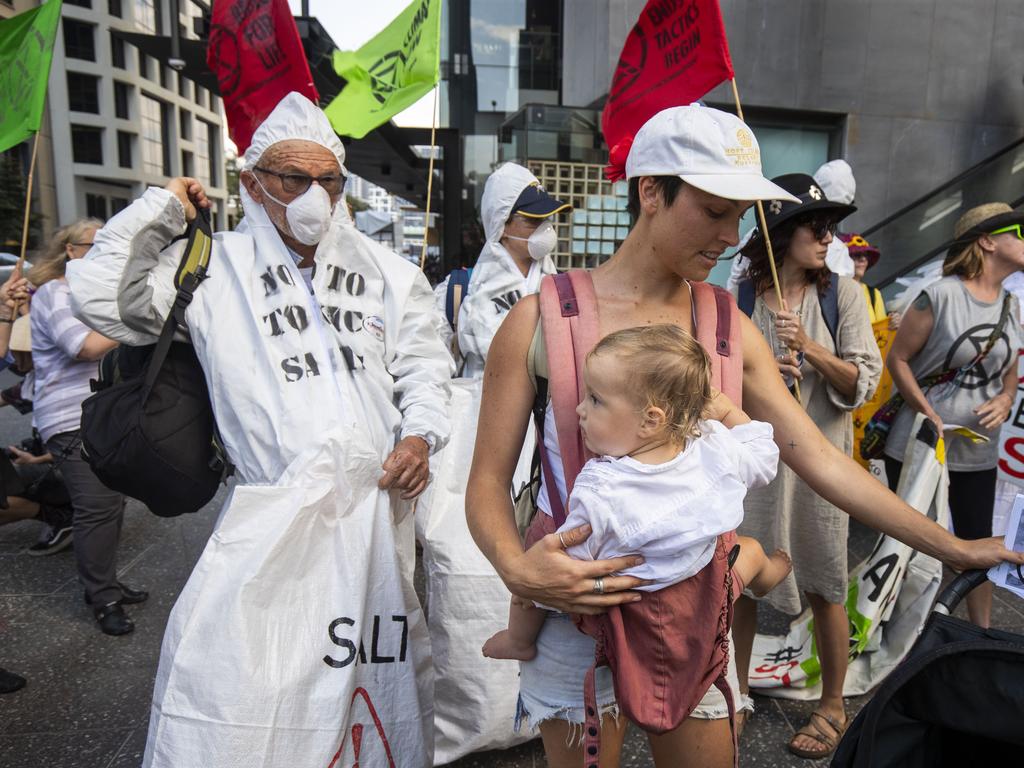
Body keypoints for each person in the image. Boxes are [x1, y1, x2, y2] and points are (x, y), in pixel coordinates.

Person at [465, 104, 1024, 768]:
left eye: (740, 214)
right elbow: (486, 486)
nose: (733, 235)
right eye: (714, 209)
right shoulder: (538, 319)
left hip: (699, 614)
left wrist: (950, 544)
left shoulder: (729, 324)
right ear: (651, 191)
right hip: (571, 614)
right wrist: (521, 570)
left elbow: (818, 457)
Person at [67, 92, 452, 768]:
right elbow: (101, 296)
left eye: (327, 180)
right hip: (268, 519)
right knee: (245, 685)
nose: (313, 195)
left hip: (371, 521)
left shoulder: (389, 274)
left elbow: (425, 367)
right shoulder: (213, 269)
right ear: (252, 182)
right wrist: (165, 211)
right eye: (292, 179)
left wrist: (419, 437)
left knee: (371, 681)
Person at [482, 323, 791, 663]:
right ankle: (765, 570)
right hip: (700, 593)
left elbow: (565, 567)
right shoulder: (713, 449)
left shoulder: (601, 492)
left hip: (632, 611)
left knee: (531, 572)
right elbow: (764, 457)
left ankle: (518, 641)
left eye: (595, 400)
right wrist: (728, 412)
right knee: (746, 551)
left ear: (650, 420)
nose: (579, 409)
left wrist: (531, 587)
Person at [733, 173, 882, 759]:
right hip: (758, 470)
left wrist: (814, 350)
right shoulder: (740, 296)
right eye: (816, 227)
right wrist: (763, 368)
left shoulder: (839, 295)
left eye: (830, 227)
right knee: (742, 582)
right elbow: (716, 380)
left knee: (825, 583)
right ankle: (735, 693)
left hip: (820, 470)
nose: (828, 237)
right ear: (782, 232)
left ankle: (833, 705)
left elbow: (864, 380)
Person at [884, 203, 1024, 628]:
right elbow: (899, 360)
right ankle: (898, 634)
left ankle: (979, 634)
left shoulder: (1011, 305)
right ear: (987, 241)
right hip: (921, 444)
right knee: (912, 544)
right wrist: (929, 413)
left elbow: (1010, 374)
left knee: (980, 543)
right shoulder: (941, 295)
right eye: (1018, 231)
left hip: (976, 450)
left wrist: (1005, 398)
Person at [27, 219, 146, 635]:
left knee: (111, 504)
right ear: (70, 252)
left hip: (103, 413)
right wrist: (140, 316)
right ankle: (103, 599)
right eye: (92, 245)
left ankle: (105, 584)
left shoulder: (92, 292)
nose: (101, 252)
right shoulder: (54, 293)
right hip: (70, 416)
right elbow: (85, 346)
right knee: (96, 507)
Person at [434, 162, 570, 376]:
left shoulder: (563, 287)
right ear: (502, 224)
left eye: (546, 218)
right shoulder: (460, 290)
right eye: (533, 220)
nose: (546, 228)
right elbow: (430, 365)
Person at [841, 231, 902, 328]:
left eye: (866, 256)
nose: (863, 259)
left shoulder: (874, 294)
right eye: (857, 255)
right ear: (842, 259)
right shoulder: (833, 292)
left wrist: (891, 323)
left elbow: (881, 332)